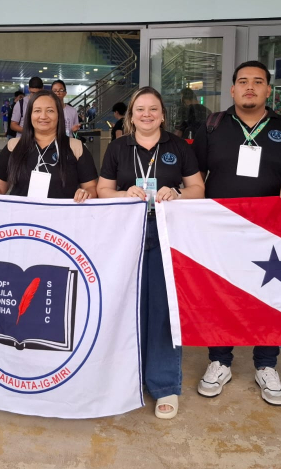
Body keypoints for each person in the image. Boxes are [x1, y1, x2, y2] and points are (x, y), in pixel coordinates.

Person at [192, 61, 281, 405]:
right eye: (243, 82)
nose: (250, 87)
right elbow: (194, 174)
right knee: (223, 294)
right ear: (232, 90)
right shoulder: (213, 126)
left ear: (268, 91)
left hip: (272, 232)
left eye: (257, 82)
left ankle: (266, 363)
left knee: (269, 295)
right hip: (222, 229)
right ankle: (220, 359)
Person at [97, 86, 205, 419]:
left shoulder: (178, 146)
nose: (146, 115)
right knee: (123, 308)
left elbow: (198, 188)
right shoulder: (118, 147)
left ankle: (164, 385)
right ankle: (124, 379)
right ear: (131, 115)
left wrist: (177, 193)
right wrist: (122, 194)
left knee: (162, 309)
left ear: (162, 114)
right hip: (125, 237)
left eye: (153, 109)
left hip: (167, 235)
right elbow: (103, 190)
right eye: (140, 109)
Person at [0, 91, 97, 201]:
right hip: (22, 218)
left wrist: (86, 193)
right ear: (30, 115)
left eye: (50, 111)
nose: (43, 116)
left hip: (63, 217)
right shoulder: (13, 146)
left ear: (59, 115)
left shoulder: (76, 147)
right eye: (37, 111)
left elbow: (90, 187)